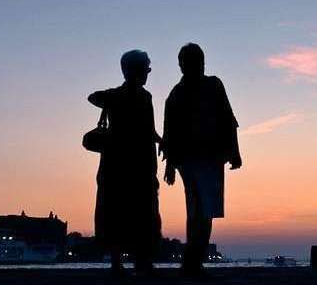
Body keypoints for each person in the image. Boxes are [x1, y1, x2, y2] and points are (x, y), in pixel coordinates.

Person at [161, 43, 241, 278]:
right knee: (199, 210)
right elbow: (170, 133)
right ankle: (193, 260)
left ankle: (194, 259)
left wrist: (234, 151)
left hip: (209, 157)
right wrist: (170, 166)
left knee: (202, 211)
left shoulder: (210, 86)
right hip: (193, 159)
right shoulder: (177, 94)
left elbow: (228, 119)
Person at [88, 50, 162, 277]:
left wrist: (160, 140)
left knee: (118, 212)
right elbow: (94, 97)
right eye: (146, 69)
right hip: (132, 165)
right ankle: (136, 262)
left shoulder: (125, 96)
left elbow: (150, 130)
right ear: (135, 70)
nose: (147, 73)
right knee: (138, 212)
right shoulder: (130, 96)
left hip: (121, 165)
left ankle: (121, 262)